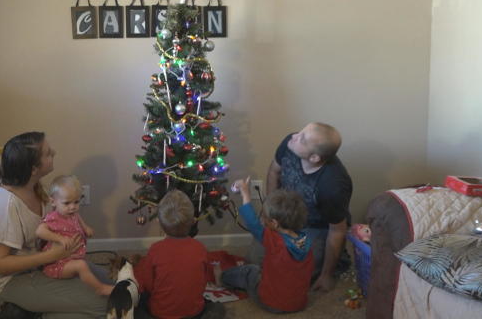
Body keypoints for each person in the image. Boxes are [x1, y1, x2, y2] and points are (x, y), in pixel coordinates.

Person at [0, 132, 112, 319]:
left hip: (46, 264)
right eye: (48, 153)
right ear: (34, 168)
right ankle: (30, 312)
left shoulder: (33, 185)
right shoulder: (5, 206)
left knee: (106, 281)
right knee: (103, 306)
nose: (54, 153)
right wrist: (51, 255)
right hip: (13, 280)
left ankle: (30, 308)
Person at [249, 122, 352, 292]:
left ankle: (338, 260)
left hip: (314, 228)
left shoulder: (332, 186)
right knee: (255, 259)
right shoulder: (290, 144)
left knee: (294, 270)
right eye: (300, 132)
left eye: (301, 139)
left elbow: (337, 230)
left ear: (314, 158)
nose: (294, 136)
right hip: (284, 216)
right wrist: (268, 211)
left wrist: (326, 275)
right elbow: (274, 172)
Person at [222, 177, 313, 313]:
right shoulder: (307, 240)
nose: (262, 219)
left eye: (264, 217)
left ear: (274, 223)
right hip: (299, 304)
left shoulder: (274, 241)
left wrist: (245, 194)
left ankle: (221, 278)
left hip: (271, 302)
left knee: (250, 271)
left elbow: (252, 223)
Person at [133, 190, 217, 319]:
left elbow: (148, 284)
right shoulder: (200, 248)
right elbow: (205, 279)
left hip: (160, 314)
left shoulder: (156, 250)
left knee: (138, 303)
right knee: (214, 307)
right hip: (194, 313)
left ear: (159, 223)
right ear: (193, 221)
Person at [37, 175, 113, 296]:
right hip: (57, 264)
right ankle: (100, 288)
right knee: (81, 266)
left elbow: (78, 218)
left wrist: (85, 227)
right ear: (53, 202)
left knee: (88, 268)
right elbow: (40, 231)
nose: (73, 207)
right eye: (67, 203)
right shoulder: (53, 217)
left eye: (76, 202)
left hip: (71, 257)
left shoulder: (72, 214)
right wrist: (60, 238)